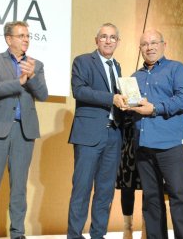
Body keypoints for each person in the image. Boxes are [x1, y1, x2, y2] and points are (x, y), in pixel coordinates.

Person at [0, 21, 48, 239]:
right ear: (9, 39)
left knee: (19, 186)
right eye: (21, 36)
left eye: (28, 36)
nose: (26, 39)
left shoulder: (36, 64)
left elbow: (43, 95)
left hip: (24, 131)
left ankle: (18, 233)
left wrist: (32, 77)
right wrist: (19, 81)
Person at [128, 29, 183, 239]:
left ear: (164, 45)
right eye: (145, 44)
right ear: (140, 49)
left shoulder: (176, 68)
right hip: (143, 146)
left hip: (170, 145)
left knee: (179, 197)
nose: (149, 47)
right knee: (151, 201)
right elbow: (131, 108)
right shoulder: (133, 77)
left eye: (154, 42)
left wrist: (155, 108)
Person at [67, 23, 127, 239]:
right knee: (81, 189)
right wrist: (111, 98)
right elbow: (79, 91)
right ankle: (74, 236)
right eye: (104, 36)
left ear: (118, 42)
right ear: (96, 40)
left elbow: (119, 98)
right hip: (88, 135)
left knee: (105, 191)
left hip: (113, 135)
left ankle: (98, 235)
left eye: (112, 37)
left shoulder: (117, 66)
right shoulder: (83, 61)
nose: (108, 40)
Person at [115, 116, 145, 239]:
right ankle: (127, 227)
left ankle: (146, 226)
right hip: (126, 139)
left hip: (146, 138)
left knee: (149, 187)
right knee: (126, 187)